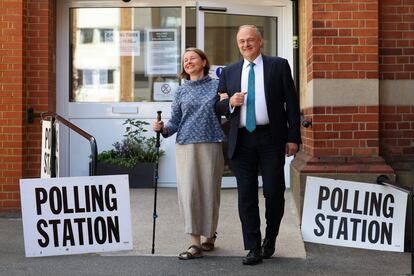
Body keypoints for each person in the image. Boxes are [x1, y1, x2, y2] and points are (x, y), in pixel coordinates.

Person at [215, 25, 301, 265]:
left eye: (250, 40)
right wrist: (230, 102)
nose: (246, 44)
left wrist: (293, 137)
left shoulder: (279, 65)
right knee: (246, 194)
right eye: (241, 41)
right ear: (237, 44)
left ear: (260, 41)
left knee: (274, 192)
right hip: (241, 139)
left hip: (271, 138)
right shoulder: (229, 72)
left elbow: (292, 105)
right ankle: (253, 246)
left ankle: (270, 239)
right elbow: (217, 107)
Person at [152, 48, 225, 260]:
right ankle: (195, 243)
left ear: (204, 61)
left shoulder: (217, 86)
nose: (188, 62)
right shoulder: (181, 91)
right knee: (189, 192)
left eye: (192, 58)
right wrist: (162, 128)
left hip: (211, 142)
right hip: (185, 145)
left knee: (210, 192)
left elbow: (227, 113)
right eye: (185, 60)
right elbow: (175, 121)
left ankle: (210, 235)